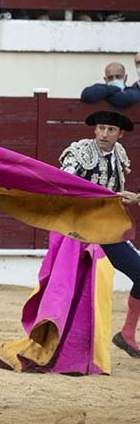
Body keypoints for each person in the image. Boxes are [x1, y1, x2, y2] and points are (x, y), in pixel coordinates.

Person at [60, 110, 140, 358]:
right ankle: (60, 344)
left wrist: (134, 198)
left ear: (120, 134)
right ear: (95, 130)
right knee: (69, 287)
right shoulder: (79, 153)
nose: (105, 134)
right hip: (76, 230)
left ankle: (127, 334)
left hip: (105, 228)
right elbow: (62, 186)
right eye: (101, 128)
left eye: (111, 130)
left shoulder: (119, 155)